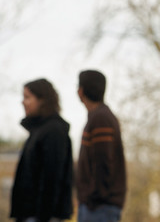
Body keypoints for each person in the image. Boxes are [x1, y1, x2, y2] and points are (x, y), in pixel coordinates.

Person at [10, 79, 74, 222]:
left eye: (27, 97)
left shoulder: (54, 131)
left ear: (42, 100)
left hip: (42, 216)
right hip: (30, 214)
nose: (23, 102)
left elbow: (52, 178)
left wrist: (43, 217)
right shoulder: (38, 131)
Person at [76, 69, 127, 222]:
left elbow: (102, 162)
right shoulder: (100, 117)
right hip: (99, 206)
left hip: (99, 208)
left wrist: (93, 198)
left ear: (81, 91)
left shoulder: (100, 119)